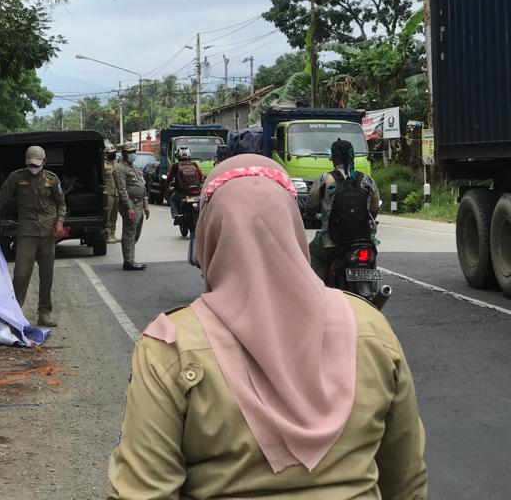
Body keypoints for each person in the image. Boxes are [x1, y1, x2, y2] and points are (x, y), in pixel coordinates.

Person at [107, 154, 427, 499]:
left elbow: (141, 492)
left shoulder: (171, 346)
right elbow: (405, 481)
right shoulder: (371, 327)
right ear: (290, 225)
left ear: (209, 232)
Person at [0, 145, 66, 327]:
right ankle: (14, 313)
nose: (33, 167)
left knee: (47, 276)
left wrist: (60, 222)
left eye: (37, 163)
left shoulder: (52, 179)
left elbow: (61, 203)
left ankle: (44, 313)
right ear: (26, 162)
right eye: (30, 163)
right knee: (21, 274)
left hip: (47, 234)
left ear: (44, 161)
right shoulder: (17, 178)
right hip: (27, 233)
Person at [307, 138, 381, 276]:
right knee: (370, 256)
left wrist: (310, 214)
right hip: (363, 239)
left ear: (334, 158)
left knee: (312, 253)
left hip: (331, 241)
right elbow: (375, 208)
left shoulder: (325, 179)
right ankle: (372, 287)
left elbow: (311, 204)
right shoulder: (367, 180)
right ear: (352, 156)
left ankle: (318, 292)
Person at [114, 141, 149, 271]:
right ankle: (128, 262)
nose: (132, 154)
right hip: (130, 203)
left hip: (139, 203)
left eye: (134, 152)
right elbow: (122, 190)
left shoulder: (133, 167)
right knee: (129, 232)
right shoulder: (120, 169)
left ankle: (131, 258)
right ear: (123, 154)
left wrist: (145, 205)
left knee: (136, 233)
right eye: (130, 152)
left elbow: (142, 185)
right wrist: (129, 208)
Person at [167, 145, 203, 224]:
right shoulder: (194, 164)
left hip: (181, 191)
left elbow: (169, 178)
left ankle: (176, 215)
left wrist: (166, 186)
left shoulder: (175, 166)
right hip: (195, 191)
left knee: (172, 199)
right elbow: (200, 175)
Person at [104, 142, 120, 244]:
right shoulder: (104, 164)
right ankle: (107, 234)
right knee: (107, 216)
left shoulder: (116, 164)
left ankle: (113, 233)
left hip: (116, 193)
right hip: (108, 193)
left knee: (114, 215)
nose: (113, 154)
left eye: (114, 153)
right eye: (111, 153)